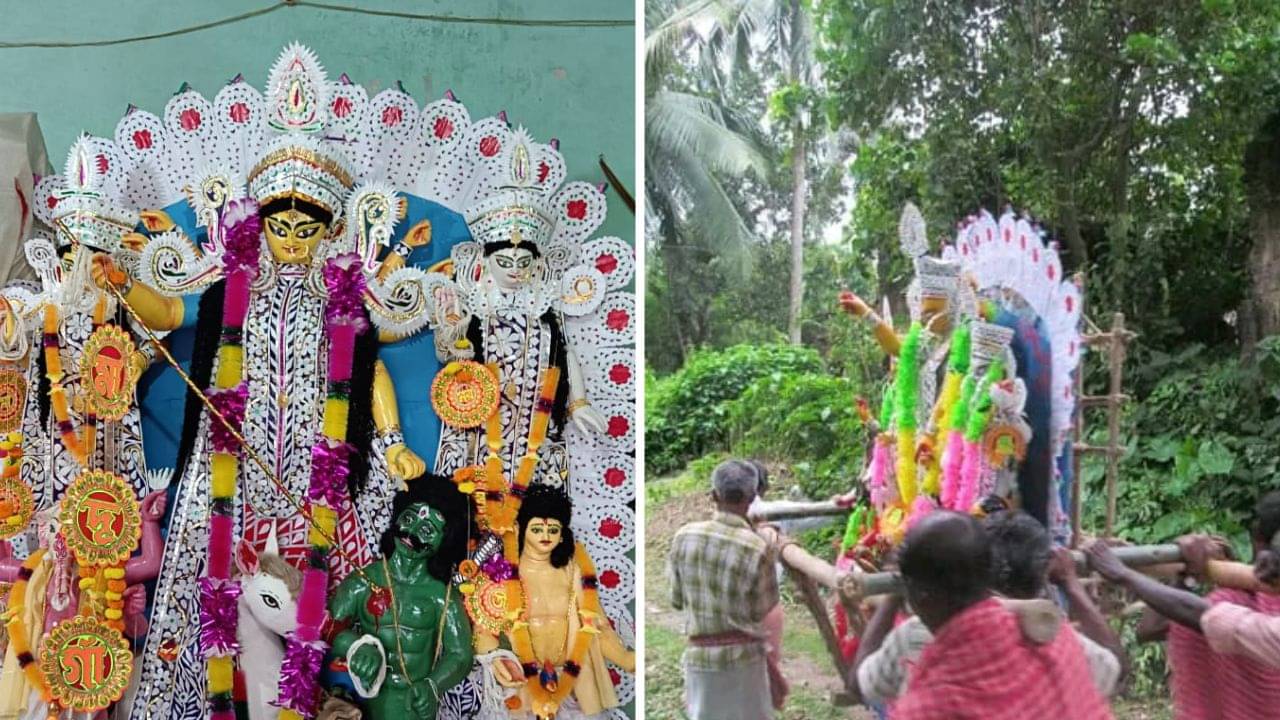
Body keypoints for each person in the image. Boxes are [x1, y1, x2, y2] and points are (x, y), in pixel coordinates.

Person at [855, 510, 1124, 707]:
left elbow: (860, 684)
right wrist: (1071, 585)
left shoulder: (910, 639)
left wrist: (894, 593)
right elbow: (1116, 669)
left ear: (922, 596)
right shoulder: (1054, 638)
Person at [1086, 491, 1280, 718]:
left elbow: (1159, 625)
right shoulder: (1243, 596)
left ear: (1256, 539)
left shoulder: (1234, 604)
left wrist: (1124, 574)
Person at [669, 459, 780, 720]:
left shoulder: (683, 536)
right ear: (753, 498)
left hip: (700, 662)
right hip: (745, 664)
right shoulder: (757, 547)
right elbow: (761, 610)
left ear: (713, 496)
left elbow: (676, 600)